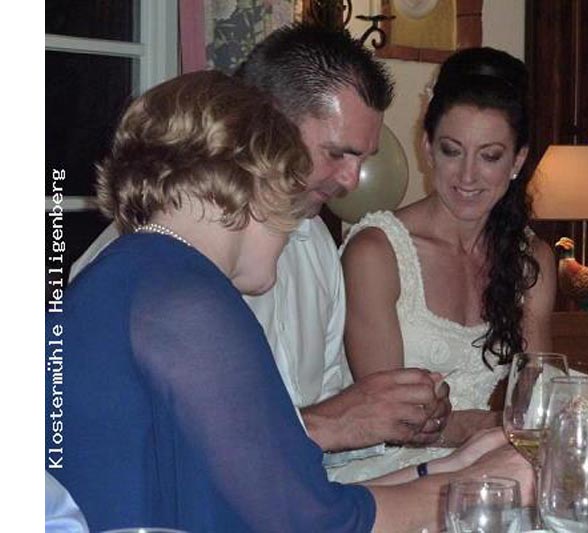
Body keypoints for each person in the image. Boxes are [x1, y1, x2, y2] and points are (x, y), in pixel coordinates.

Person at [46, 70, 532, 532]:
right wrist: (489, 482)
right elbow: (315, 525)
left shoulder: (139, 273)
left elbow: (286, 500)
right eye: (291, 191)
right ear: (257, 181)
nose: (295, 221)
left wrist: (451, 468)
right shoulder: (187, 301)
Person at [68, 22, 450, 453]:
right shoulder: (143, 256)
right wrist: (332, 423)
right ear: (266, 126)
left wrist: (399, 426)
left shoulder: (316, 246)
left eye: (363, 159)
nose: (351, 180)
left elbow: (327, 448)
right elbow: (138, 451)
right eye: (336, 153)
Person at [334, 47, 557, 482]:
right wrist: (492, 428)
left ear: (517, 161)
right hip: (385, 473)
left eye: (490, 156)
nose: (467, 176)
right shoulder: (377, 252)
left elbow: (536, 394)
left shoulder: (531, 261)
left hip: (486, 468)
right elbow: (391, 420)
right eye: (452, 151)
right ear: (427, 148)